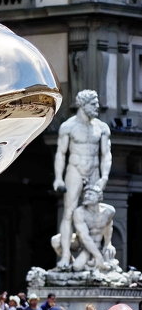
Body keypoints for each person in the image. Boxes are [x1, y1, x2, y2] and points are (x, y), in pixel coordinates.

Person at [53, 89, 111, 270]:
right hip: (75, 169)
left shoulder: (102, 127)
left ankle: (94, 255)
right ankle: (65, 256)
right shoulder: (68, 126)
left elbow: (106, 154)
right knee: (69, 212)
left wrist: (104, 177)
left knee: (96, 211)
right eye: (93, 104)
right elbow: (61, 154)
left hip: (93, 168)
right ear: (83, 104)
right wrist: (58, 178)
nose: (97, 107)